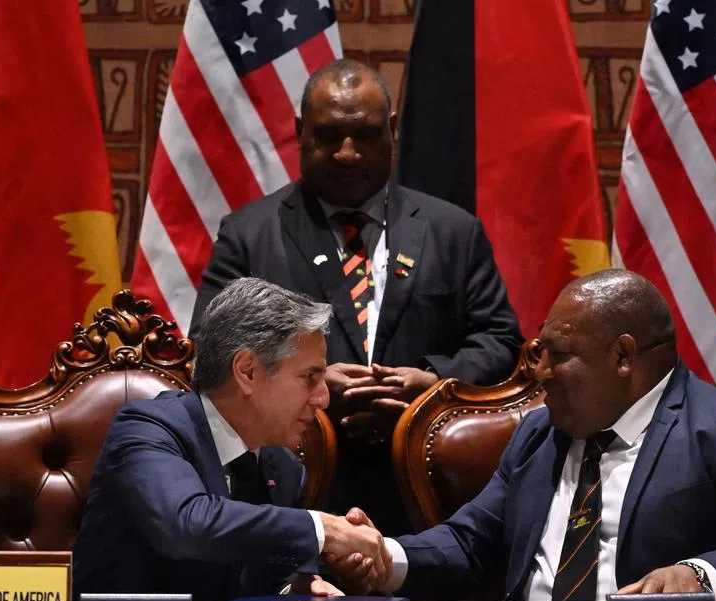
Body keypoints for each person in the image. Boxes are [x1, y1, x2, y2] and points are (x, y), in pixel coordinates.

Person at [328, 270, 716, 601]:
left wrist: (697, 576)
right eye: (539, 352)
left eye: (557, 355)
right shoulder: (541, 433)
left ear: (623, 357)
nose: (538, 373)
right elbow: (470, 541)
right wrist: (382, 557)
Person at [188, 59, 523, 537]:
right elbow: (209, 351)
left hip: (432, 489)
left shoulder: (453, 232)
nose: (346, 153)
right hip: (290, 486)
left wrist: (431, 381)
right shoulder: (249, 235)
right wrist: (310, 382)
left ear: (392, 131)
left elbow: (500, 340)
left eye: (364, 136)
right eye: (327, 136)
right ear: (300, 133)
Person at [72, 278, 391, 601]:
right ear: (247, 371)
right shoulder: (149, 430)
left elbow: (262, 572)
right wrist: (321, 528)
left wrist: (298, 589)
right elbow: (186, 525)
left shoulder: (284, 468)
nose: (323, 398)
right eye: (309, 377)